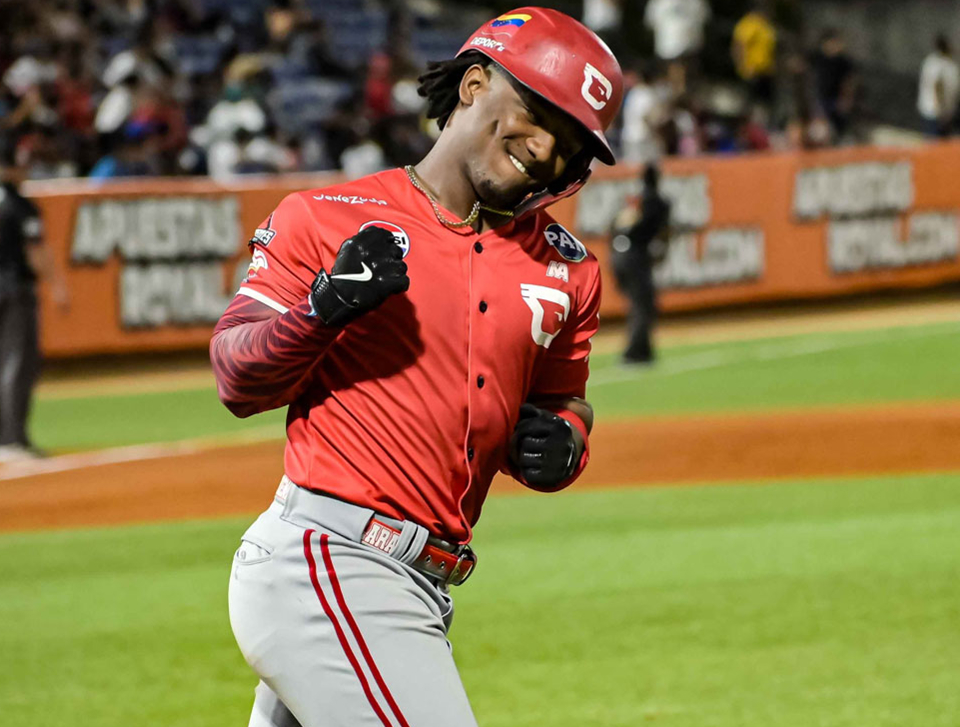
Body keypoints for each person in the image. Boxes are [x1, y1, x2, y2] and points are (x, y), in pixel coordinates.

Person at [210, 8, 623, 726]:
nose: (546, 148)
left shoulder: (569, 270)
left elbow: (565, 403)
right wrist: (321, 310)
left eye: (572, 140)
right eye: (537, 113)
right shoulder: (327, 217)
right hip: (332, 563)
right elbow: (235, 377)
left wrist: (566, 441)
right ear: (473, 86)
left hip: (422, 583)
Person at [0, 133, 69, 464]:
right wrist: (57, 285)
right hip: (13, 286)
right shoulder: (19, 204)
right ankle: (12, 441)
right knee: (18, 362)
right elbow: (35, 250)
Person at [610, 163, 670, 365]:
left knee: (639, 304)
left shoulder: (634, 200)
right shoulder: (657, 201)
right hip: (634, 256)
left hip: (619, 254)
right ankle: (636, 352)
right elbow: (662, 231)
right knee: (643, 304)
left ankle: (642, 349)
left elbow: (615, 226)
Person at [917, 34, 960, 138]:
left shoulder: (935, 62)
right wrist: (941, 112)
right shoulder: (938, 64)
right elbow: (938, 87)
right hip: (937, 114)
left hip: (941, 113)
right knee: (935, 143)